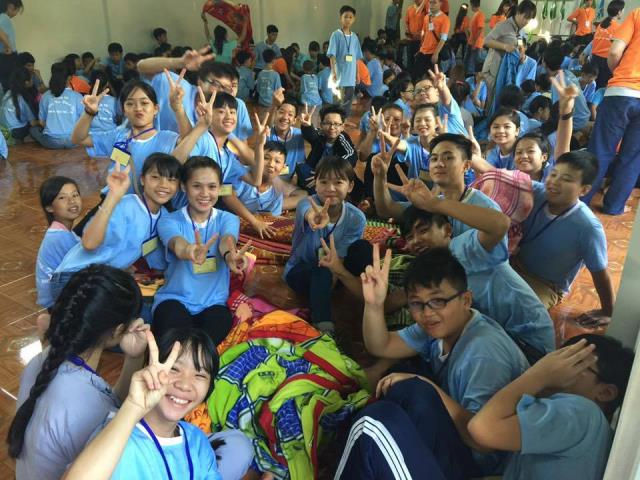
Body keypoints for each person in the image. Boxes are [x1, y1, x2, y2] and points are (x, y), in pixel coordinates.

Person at [335, 245, 528, 479]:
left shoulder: (483, 353)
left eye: (438, 301)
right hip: (460, 437)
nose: (427, 313)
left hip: (481, 466)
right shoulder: (439, 328)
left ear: (466, 300)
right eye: (417, 303)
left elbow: (483, 442)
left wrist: (428, 387)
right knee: (400, 380)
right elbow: (381, 345)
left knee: (393, 406)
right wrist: (374, 305)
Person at [9, 265, 148, 480]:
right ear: (119, 330)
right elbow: (111, 414)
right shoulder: (89, 406)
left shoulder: (44, 360)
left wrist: (134, 357)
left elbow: (109, 403)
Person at [63, 329, 226, 480]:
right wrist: (134, 405)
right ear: (147, 369)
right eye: (174, 368)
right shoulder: (117, 439)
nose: (184, 385)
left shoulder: (196, 440)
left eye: (200, 375)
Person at [469, 335, 634, 480]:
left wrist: (540, 375)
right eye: (559, 358)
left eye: (575, 362)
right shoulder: (590, 424)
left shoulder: (581, 413)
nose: (558, 366)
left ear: (605, 392)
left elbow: (482, 429)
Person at [152, 156, 250, 344]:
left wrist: (230, 255)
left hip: (214, 304)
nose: (205, 194)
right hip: (174, 299)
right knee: (173, 345)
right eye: (197, 186)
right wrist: (189, 250)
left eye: (212, 187)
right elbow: (176, 243)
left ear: (219, 188)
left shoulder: (229, 219)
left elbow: (226, 240)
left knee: (205, 348)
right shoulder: (169, 220)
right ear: (184, 186)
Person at [284, 156, 367, 333]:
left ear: (350, 186)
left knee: (363, 248)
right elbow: (308, 212)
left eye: (338, 182)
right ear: (315, 184)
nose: (330, 188)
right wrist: (314, 218)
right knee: (321, 270)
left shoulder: (356, 218)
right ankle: (323, 326)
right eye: (323, 182)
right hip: (302, 271)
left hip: (338, 271)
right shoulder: (306, 204)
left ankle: (370, 301)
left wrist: (332, 281)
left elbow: (341, 258)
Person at [584, 7, 640, 215]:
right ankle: (614, 206)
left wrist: (620, 75)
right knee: (633, 157)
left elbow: (615, 52)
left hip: (621, 91)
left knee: (601, 149)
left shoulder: (637, 14)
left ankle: (581, 202)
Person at [35, 177, 82, 310]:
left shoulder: (62, 232)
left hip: (57, 297)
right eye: (62, 198)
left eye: (75, 195)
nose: (72, 201)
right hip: (57, 302)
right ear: (49, 207)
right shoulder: (59, 237)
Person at [482, 0, 537, 111]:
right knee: (493, 102)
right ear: (518, 12)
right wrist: (504, 46)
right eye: (525, 17)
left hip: (506, 71)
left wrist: (522, 53)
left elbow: (519, 43)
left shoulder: (520, 31)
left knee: (502, 101)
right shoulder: (503, 25)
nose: (526, 21)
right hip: (494, 70)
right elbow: (486, 41)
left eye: (529, 19)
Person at [236, 141, 308, 215]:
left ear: (283, 168)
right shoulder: (241, 174)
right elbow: (229, 198)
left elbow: (303, 195)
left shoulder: (277, 191)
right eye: (266, 158)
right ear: (256, 157)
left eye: (277, 161)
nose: (271, 164)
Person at [33, 62, 83, 149]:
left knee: (33, 130)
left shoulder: (45, 96)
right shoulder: (78, 96)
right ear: (70, 78)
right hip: (73, 142)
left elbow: (41, 122)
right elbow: (83, 121)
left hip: (51, 142)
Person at [543, 43, 592, 131]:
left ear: (544, 63)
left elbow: (558, 112)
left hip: (576, 122)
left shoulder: (558, 82)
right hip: (584, 117)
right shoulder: (567, 73)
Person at [327, 5, 364, 116]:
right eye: (345, 17)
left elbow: (356, 58)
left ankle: (345, 120)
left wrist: (357, 74)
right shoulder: (336, 35)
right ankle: (335, 120)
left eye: (350, 17)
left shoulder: (355, 37)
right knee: (337, 101)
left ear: (354, 19)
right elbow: (332, 55)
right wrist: (333, 72)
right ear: (340, 18)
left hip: (351, 76)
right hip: (339, 75)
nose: (348, 19)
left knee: (348, 101)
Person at [590, 0, 625, 88]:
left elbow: (593, 42)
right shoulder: (617, 27)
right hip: (605, 62)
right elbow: (617, 49)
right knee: (601, 88)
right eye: (623, 10)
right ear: (619, 12)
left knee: (592, 86)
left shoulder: (600, 25)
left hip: (594, 59)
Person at [413, 0, 450, 82]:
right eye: (430, 2)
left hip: (433, 53)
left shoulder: (445, 19)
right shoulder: (427, 17)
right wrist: (420, 49)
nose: (432, 5)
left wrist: (436, 54)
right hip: (423, 52)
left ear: (440, 3)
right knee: (417, 77)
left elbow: (443, 39)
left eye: (434, 2)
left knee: (432, 78)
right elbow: (424, 34)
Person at [1, 67, 41, 142]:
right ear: (26, 82)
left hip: (4, 128)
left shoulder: (8, 93)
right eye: (31, 78)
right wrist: (42, 122)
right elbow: (32, 123)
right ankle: (25, 139)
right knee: (36, 128)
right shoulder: (23, 98)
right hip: (16, 132)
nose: (32, 80)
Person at [0, 0, 22, 90]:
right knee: (10, 86)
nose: (16, 14)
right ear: (11, 7)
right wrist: (8, 45)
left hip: (4, 57)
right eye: (18, 10)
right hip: (8, 58)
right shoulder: (4, 17)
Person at [404, 0, 428, 70]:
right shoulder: (409, 9)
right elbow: (406, 23)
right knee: (410, 60)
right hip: (410, 40)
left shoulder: (425, 10)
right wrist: (408, 31)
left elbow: (427, 24)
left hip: (421, 41)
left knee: (420, 60)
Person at [465, 0, 485, 74]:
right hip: (471, 42)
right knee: (467, 61)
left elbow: (480, 29)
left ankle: (470, 76)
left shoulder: (480, 15)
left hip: (476, 44)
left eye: (471, 5)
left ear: (472, 4)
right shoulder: (475, 14)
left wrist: (474, 42)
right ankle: (465, 75)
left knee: (472, 63)